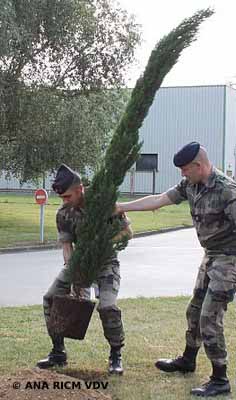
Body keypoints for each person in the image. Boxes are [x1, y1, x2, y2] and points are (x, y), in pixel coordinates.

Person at [116, 142, 236, 397]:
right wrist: (121, 207)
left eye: (185, 169)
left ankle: (220, 378)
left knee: (209, 318)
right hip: (211, 257)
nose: (182, 174)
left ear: (199, 165)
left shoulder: (227, 191)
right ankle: (188, 360)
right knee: (194, 312)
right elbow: (159, 200)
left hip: (230, 260)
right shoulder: (190, 186)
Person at [36, 164, 133, 374]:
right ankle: (58, 352)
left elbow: (127, 233)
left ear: (80, 189)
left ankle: (116, 354)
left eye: (68, 196)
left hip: (106, 262)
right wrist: (72, 274)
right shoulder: (63, 213)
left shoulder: (104, 204)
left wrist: (100, 243)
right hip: (79, 262)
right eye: (62, 198)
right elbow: (67, 247)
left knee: (107, 307)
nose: (65, 201)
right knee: (50, 297)